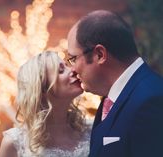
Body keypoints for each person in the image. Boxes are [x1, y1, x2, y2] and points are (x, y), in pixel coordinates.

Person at [67, 10, 163, 157]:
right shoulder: (111, 97)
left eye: (73, 59)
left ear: (100, 54)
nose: (72, 70)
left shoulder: (150, 100)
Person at [0, 51, 90, 157]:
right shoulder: (15, 143)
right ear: (42, 89)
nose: (73, 70)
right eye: (61, 70)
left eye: (67, 66)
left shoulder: (92, 129)